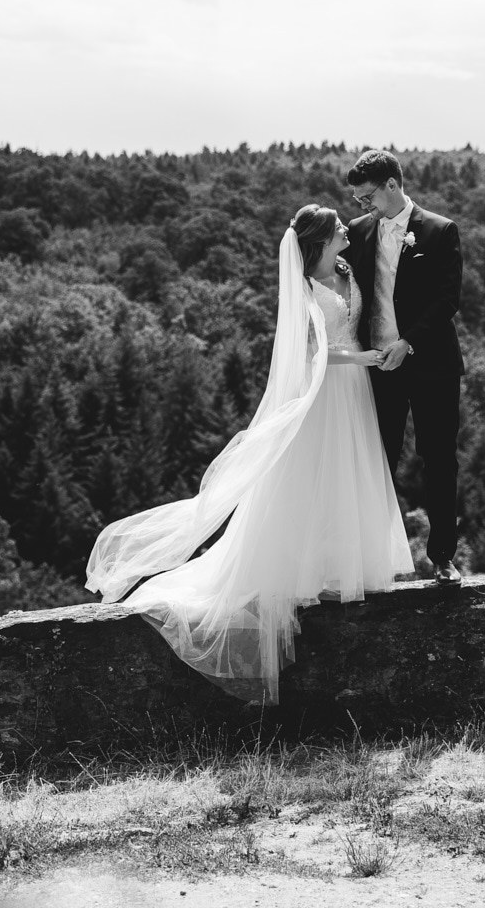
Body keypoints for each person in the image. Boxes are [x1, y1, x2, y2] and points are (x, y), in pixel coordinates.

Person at [86, 205, 413, 703]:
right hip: (326, 390)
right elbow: (311, 353)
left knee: (349, 473)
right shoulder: (304, 289)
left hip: (356, 394)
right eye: (338, 227)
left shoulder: (346, 269)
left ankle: (344, 567)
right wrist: (362, 358)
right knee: (314, 475)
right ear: (321, 240)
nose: (348, 228)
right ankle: (306, 572)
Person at [344, 150, 465, 585]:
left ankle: (443, 558)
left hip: (431, 364)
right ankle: (373, 560)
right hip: (377, 368)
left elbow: (447, 299)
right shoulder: (356, 233)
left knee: (438, 459)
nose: (362, 206)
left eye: (367, 197)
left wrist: (409, 342)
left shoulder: (438, 231)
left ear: (392, 186)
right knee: (376, 460)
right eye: (359, 200)